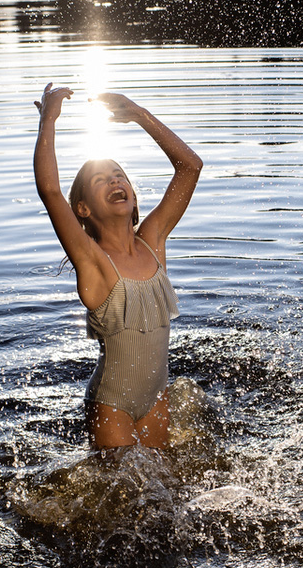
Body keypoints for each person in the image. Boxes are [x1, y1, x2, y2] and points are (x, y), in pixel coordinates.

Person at [33, 82, 203, 450]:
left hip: (156, 400)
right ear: (83, 209)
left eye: (119, 175)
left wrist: (140, 115)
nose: (113, 180)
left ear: (133, 194)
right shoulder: (93, 262)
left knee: (167, 496)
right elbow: (50, 191)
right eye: (100, 180)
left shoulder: (154, 242)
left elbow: (190, 167)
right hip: (111, 408)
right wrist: (49, 120)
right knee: (123, 502)